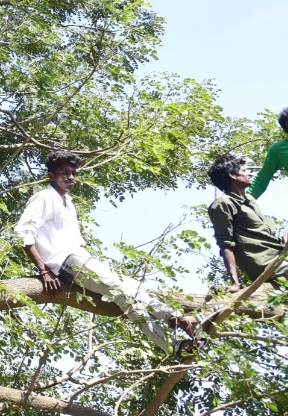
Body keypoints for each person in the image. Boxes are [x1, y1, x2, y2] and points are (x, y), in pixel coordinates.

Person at [16, 150, 195, 352]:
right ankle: (176, 336)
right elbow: (24, 233)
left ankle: (179, 327)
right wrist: (44, 271)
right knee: (120, 292)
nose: (70, 177)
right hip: (65, 261)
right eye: (64, 172)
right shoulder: (44, 197)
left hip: (81, 257)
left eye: (74, 173)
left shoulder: (68, 202)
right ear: (51, 175)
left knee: (130, 287)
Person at [207, 153, 288, 290]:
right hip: (267, 264)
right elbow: (226, 245)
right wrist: (235, 283)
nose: (249, 174)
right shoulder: (223, 204)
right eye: (244, 171)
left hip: (280, 251)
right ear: (233, 176)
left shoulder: (250, 200)